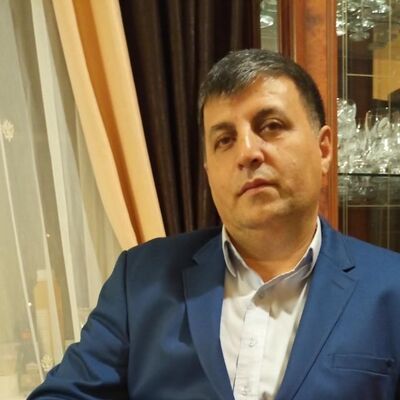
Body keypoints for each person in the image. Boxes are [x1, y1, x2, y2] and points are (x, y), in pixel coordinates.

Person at [29, 49, 400, 400]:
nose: (247, 152)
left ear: (324, 149)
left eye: (271, 126)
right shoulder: (141, 280)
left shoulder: (391, 288)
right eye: (224, 140)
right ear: (208, 170)